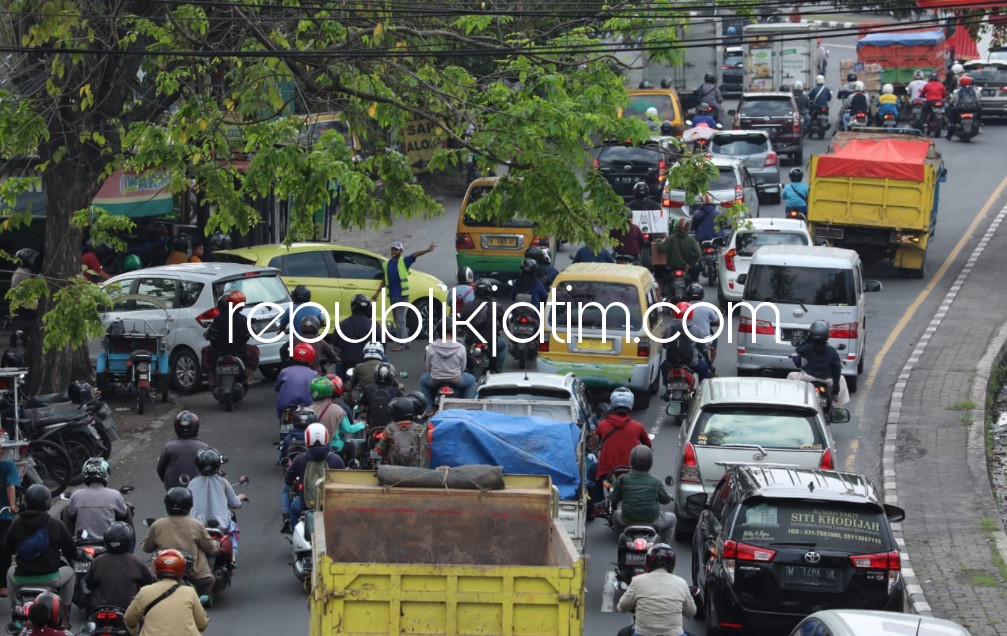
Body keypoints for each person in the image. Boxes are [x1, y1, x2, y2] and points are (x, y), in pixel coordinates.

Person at [1, 485, 75, 625]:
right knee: (70, 574)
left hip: (21, 578)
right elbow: (71, 551)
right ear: (47, 503)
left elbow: (7, 549)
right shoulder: (55, 524)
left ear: (27, 503)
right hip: (50, 579)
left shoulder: (17, 523)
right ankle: (65, 616)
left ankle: (15, 612)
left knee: (10, 572)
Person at [142, 488, 218, 599]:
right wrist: (217, 544)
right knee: (208, 581)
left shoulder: (157, 525)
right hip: (193, 574)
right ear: (189, 505)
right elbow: (210, 548)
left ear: (167, 504)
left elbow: (147, 548)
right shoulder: (196, 524)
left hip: (161, 572)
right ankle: (203, 602)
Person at [591, 388, 652, 512]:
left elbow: (593, 443)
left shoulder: (602, 425)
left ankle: (599, 502)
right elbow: (648, 445)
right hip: (631, 469)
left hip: (607, 471)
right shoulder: (638, 426)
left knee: (592, 472)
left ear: (613, 404)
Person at [124, 549, 209, 636]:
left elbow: (129, 619)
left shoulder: (145, 591)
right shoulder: (189, 592)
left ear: (157, 567)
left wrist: (134, 630)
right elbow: (202, 624)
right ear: (182, 569)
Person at [617, 544, 696, 636]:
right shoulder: (681, 583)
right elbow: (691, 612)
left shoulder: (638, 581)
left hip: (644, 633)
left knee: (622, 633)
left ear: (648, 562)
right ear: (672, 563)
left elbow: (622, 607)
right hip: (674, 634)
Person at [373, 241, 436, 351]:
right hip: (392, 296)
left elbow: (414, 255)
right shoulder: (386, 264)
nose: (394, 251)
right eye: (393, 249)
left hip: (402, 296)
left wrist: (426, 250)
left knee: (400, 321)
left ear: (401, 251)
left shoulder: (404, 261)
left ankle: (401, 344)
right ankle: (406, 342)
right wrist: (377, 293)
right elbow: (384, 280)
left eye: (396, 250)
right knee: (398, 320)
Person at [83, 522, 155, 616]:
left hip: (100, 610)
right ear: (129, 541)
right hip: (128, 611)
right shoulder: (136, 562)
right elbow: (151, 581)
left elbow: (89, 583)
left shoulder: (98, 561)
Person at [609, 446, 676, 544]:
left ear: (631, 461)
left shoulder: (623, 479)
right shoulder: (656, 481)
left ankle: (621, 542)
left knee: (616, 514)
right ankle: (664, 546)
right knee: (672, 517)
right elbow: (664, 500)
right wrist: (669, 497)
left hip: (627, 521)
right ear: (650, 462)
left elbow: (614, 499)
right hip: (653, 522)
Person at [187, 448, 245, 559]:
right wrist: (240, 498)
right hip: (220, 525)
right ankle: (232, 558)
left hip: (197, 525)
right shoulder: (223, 482)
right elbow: (235, 503)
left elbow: (188, 505)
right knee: (233, 530)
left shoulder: (192, 483)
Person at [284, 424, 345, 526]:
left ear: (307, 439)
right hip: (330, 505)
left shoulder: (300, 459)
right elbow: (344, 481)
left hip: (306, 505)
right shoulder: (335, 459)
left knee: (294, 509)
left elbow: (288, 479)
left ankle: (293, 532)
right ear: (325, 438)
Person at [200, 290, 259, 388]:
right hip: (239, 350)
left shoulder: (218, 318)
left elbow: (211, 335)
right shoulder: (243, 319)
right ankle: (249, 378)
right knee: (254, 350)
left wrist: (207, 335)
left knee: (205, 351)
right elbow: (251, 334)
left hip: (219, 350)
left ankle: (210, 378)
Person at [787, 319, 851, 407]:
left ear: (811, 334)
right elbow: (837, 370)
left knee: (791, 375)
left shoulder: (808, 347)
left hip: (808, 377)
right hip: (827, 379)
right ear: (827, 335)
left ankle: (791, 403)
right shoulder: (831, 350)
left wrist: (808, 339)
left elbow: (798, 349)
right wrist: (836, 391)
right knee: (842, 379)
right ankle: (837, 408)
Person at [419, 318, 476, 417]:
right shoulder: (461, 348)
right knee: (472, 380)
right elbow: (463, 368)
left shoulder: (431, 347)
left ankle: (429, 408)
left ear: (439, 331)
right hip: (456, 379)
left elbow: (428, 367)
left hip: (435, 379)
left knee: (422, 380)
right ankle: (466, 408)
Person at [66, 457, 129, 540]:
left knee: (65, 510)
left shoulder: (76, 495)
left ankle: (67, 540)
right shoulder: (114, 495)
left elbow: (71, 514)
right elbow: (123, 513)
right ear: (105, 474)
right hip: (108, 541)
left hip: (82, 541)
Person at [459, 279, 506, 374]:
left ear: (475, 292)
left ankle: (464, 369)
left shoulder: (468, 305)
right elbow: (504, 323)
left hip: (470, 340)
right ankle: (497, 371)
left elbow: (461, 322)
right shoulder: (496, 306)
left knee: (461, 347)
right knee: (503, 346)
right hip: (490, 341)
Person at [308, 376, 364, 454]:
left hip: (312, 447)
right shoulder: (338, 410)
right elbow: (348, 429)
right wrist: (362, 424)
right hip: (334, 446)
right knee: (352, 446)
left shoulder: (309, 409)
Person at [157, 411, 208, 490]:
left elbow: (160, 469)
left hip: (174, 490)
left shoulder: (169, 447)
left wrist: (167, 482)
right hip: (198, 489)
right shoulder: (203, 447)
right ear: (196, 427)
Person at [375, 397, 430, 468]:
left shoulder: (389, 429)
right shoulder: (419, 428)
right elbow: (426, 450)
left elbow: (380, 451)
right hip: (415, 470)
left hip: (394, 469)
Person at [332, 295, 376, 379]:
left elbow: (335, 342)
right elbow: (382, 343)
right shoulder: (373, 325)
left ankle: (339, 382)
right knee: (384, 358)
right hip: (367, 360)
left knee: (339, 362)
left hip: (346, 361)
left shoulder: (342, 324)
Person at [274, 342, 319, 417]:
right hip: (308, 407)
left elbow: (277, 387)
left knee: (282, 417)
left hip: (285, 407)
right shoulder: (314, 374)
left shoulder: (285, 371)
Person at [655, 218, 701, 286]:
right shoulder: (691, 240)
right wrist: (689, 262)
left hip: (671, 267)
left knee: (658, 269)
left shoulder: (671, 238)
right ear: (688, 228)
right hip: (685, 267)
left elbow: (661, 248)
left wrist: (658, 241)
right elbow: (698, 253)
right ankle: (693, 283)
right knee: (697, 268)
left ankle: (660, 289)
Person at [357, 362, 403, 429]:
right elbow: (402, 407)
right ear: (391, 376)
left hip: (372, 425)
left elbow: (361, 407)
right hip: (391, 427)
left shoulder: (369, 390)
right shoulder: (396, 391)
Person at [683, 285, 720, 366]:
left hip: (686, 337)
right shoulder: (707, 307)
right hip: (705, 338)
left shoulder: (684, 307)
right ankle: (710, 365)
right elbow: (718, 322)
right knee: (714, 346)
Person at [947, 74, 982, 138]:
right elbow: (979, 99)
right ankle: (979, 123)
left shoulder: (958, 91)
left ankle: (950, 131)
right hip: (972, 108)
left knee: (952, 117)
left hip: (960, 109)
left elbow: (952, 101)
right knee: (979, 109)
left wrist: (951, 104)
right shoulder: (974, 90)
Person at [0, 459, 20, 541]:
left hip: (3, 515)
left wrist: (12, 505)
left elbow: (10, 487)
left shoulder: (8, 466)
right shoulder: (9, 466)